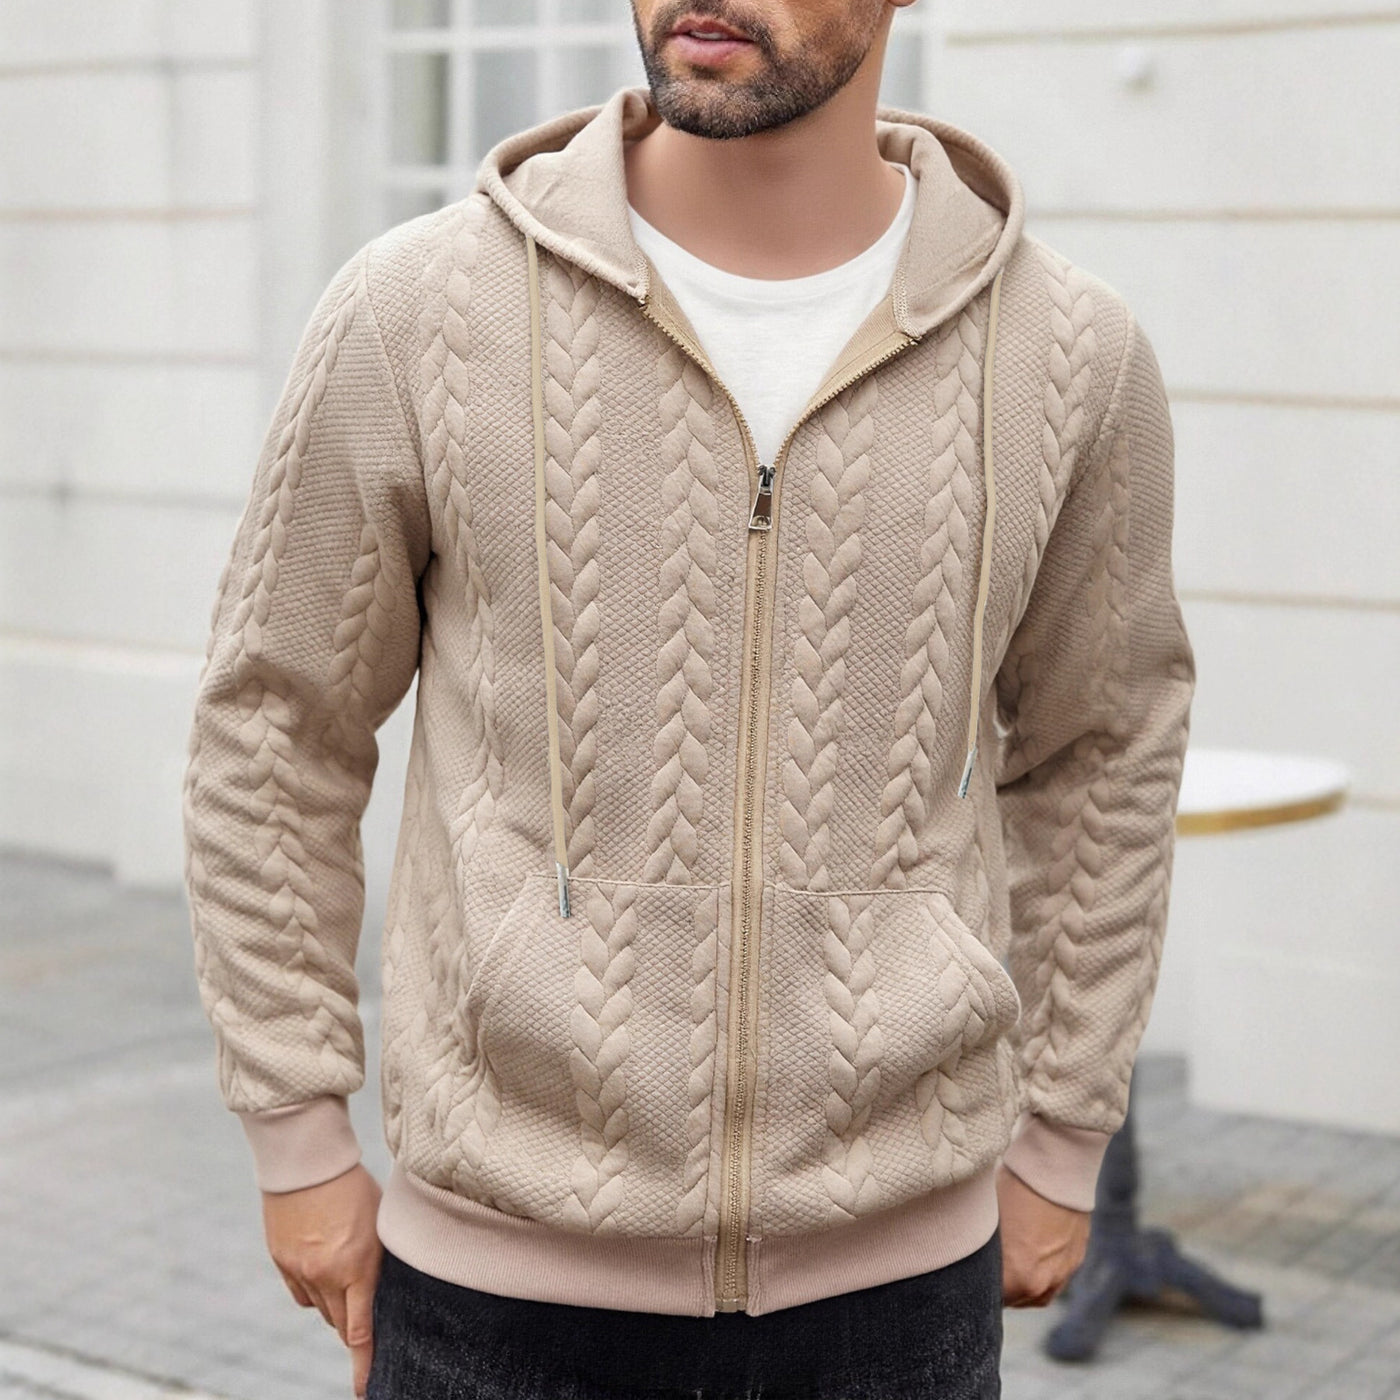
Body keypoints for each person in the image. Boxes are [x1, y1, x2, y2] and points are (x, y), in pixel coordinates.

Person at [180, 0, 1196, 1396]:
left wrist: (1065, 1134)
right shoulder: (416, 310)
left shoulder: (1070, 354)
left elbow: (1107, 748)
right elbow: (273, 724)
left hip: (897, 1306)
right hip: (496, 1296)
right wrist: (297, 1134)